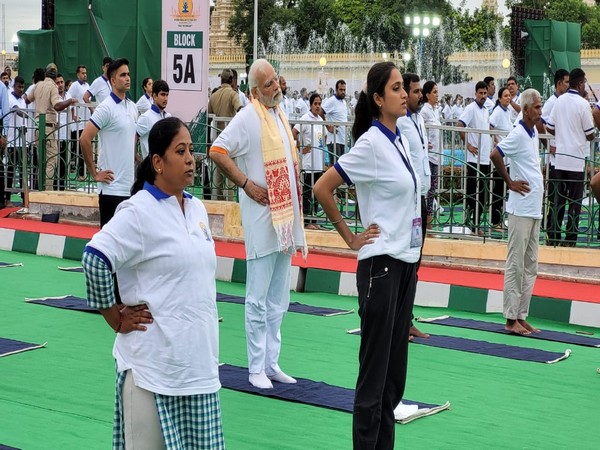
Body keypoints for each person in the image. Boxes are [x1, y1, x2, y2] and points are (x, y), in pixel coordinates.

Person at [81, 117, 225, 449]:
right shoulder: (138, 211)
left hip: (198, 369)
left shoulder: (197, 209)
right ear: (157, 163)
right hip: (151, 371)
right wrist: (115, 317)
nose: (190, 158)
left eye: (191, 150)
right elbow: (94, 259)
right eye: (180, 151)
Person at [314, 61, 419, 450]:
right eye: (395, 88)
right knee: (374, 377)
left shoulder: (400, 137)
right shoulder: (371, 144)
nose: (404, 94)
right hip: (381, 265)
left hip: (405, 263)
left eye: (402, 88)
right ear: (378, 99)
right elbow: (323, 188)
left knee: (394, 378)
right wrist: (350, 237)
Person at [209, 59, 306, 390]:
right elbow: (218, 151)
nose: (275, 88)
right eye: (268, 85)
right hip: (262, 218)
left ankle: (271, 362)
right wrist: (246, 184)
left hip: (285, 218)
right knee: (258, 296)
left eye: (275, 83)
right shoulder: (248, 116)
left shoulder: (278, 112)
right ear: (254, 91)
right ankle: (254, 368)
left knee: (280, 295)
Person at [490, 89, 544, 335]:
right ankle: (511, 319)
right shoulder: (519, 133)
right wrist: (510, 182)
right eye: (536, 107)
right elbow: (495, 154)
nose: (540, 111)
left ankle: (521, 315)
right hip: (521, 208)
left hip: (533, 208)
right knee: (516, 263)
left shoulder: (532, 133)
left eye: (541, 107)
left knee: (530, 264)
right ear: (525, 109)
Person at [80, 58, 138, 227]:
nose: (127, 78)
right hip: (111, 189)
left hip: (129, 188)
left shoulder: (133, 107)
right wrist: (94, 173)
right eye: (122, 75)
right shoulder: (105, 108)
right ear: (113, 80)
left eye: (128, 74)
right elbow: (84, 138)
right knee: (108, 246)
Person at [546, 68, 595, 247]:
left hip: (560, 158)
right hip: (575, 160)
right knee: (574, 202)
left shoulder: (559, 101)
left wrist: (563, 133)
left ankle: (553, 236)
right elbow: (590, 134)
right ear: (580, 83)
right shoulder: (582, 104)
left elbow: (549, 128)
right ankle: (570, 240)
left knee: (558, 199)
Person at [26, 68, 77, 191]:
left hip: (37, 126)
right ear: (54, 79)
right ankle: (47, 191)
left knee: (41, 161)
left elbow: (27, 99)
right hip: (48, 127)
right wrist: (70, 100)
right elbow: (57, 106)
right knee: (51, 161)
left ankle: (39, 190)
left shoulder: (38, 85)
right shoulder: (52, 87)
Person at [457, 81, 493, 234]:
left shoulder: (485, 109)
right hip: (473, 159)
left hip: (485, 158)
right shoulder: (470, 109)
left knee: (483, 194)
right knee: (472, 193)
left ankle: (476, 225)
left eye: (485, 93)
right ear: (475, 93)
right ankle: (470, 224)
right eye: (481, 93)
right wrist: (468, 145)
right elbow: (459, 125)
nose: (483, 96)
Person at [207, 68, 242, 201]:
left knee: (218, 176)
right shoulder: (233, 94)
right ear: (231, 80)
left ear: (221, 79)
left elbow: (208, 118)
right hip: (230, 139)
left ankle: (218, 206)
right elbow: (240, 110)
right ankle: (230, 206)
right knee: (231, 176)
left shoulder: (214, 96)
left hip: (216, 139)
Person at [543, 69, 570, 241]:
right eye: (566, 82)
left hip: (564, 158)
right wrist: (548, 145)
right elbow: (541, 122)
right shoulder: (552, 102)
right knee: (555, 199)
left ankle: (556, 232)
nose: (568, 85)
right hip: (554, 161)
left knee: (562, 199)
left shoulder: (564, 102)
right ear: (559, 83)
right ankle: (551, 234)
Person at [292, 92, 326, 229]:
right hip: (309, 162)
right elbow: (294, 132)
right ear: (310, 105)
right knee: (307, 191)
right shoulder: (305, 118)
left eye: (319, 104)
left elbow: (323, 138)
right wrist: (300, 148)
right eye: (315, 104)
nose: (318, 106)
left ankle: (314, 220)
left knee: (317, 191)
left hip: (319, 162)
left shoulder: (321, 120)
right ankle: (306, 220)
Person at [488, 86, 514, 230]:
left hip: (507, 157)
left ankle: (500, 218)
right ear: (499, 98)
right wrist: (496, 140)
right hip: (500, 157)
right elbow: (489, 126)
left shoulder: (508, 111)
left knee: (503, 189)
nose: (508, 98)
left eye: (509, 95)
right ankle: (495, 220)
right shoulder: (497, 112)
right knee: (498, 189)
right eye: (505, 96)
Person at [421, 80, 441, 229]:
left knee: (433, 189)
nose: (437, 94)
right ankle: (426, 220)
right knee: (428, 188)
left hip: (435, 155)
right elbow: (420, 129)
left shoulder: (435, 110)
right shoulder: (424, 111)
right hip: (428, 156)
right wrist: (424, 142)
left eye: (437, 91)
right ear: (427, 95)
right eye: (434, 92)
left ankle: (429, 219)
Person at [136, 80, 171, 159]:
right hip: (150, 167)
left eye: (167, 95)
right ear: (154, 96)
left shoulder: (168, 117)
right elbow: (133, 138)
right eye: (162, 94)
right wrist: (137, 157)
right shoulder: (146, 117)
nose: (165, 98)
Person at [67, 65, 90, 179]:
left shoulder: (88, 86)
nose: (85, 75)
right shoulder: (75, 86)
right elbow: (68, 98)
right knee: (79, 149)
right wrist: (73, 115)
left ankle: (84, 171)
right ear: (78, 74)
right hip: (77, 124)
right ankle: (80, 173)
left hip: (87, 121)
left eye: (85, 73)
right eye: (82, 73)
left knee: (86, 147)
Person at [322, 80, 349, 163]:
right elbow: (320, 112)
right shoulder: (331, 101)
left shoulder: (344, 102)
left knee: (341, 166)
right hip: (334, 139)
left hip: (342, 139)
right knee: (335, 167)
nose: (343, 92)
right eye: (341, 90)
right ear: (336, 90)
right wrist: (328, 126)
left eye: (344, 90)